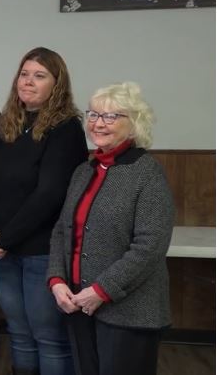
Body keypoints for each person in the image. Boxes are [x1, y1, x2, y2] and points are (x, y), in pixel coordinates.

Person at [47, 82, 174, 375]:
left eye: (111, 116)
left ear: (133, 124)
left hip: (128, 312)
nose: (98, 123)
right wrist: (57, 280)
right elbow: (62, 231)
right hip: (78, 304)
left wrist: (102, 290)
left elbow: (150, 245)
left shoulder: (147, 173)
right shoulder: (84, 171)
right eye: (93, 115)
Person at [0, 47, 88, 375]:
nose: (28, 81)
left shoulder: (66, 128)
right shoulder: (7, 126)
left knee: (47, 335)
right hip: (3, 251)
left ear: (56, 85)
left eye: (39, 76)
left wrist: (6, 238)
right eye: (24, 74)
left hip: (42, 252)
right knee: (19, 332)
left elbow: (50, 194)